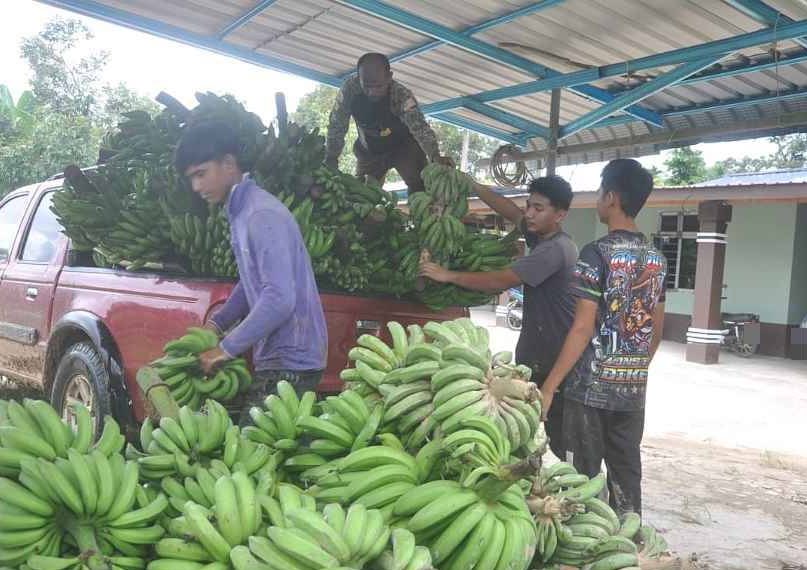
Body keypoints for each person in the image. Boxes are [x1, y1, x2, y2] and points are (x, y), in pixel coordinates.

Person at [175, 120, 328, 423]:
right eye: (191, 178)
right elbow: (251, 281)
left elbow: (279, 298)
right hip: (279, 356)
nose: (196, 187)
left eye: (201, 174)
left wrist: (225, 350)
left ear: (229, 163)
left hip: (291, 361)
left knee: (250, 452)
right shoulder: (242, 212)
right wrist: (218, 324)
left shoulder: (260, 215)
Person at [537, 159, 667, 516]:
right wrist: (634, 370)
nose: (596, 198)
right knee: (626, 473)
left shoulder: (595, 254)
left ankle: (587, 550)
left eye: (598, 191)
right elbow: (656, 329)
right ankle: (629, 545)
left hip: (589, 391)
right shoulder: (657, 260)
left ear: (611, 197)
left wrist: (549, 386)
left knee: (583, 477)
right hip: (633, 391)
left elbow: (581, 328)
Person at [418, 176, 577, 462]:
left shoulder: (553, 251)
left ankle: (578, 492)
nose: (529, 213)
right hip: (537, 351)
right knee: (528, 435)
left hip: (552, 357)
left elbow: (497, 281)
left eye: (538, 209)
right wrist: (474, 187)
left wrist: (446, 275)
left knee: (555, 437)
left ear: (561, 215)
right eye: (529, 205)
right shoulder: (542, 235)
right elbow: (511, 212)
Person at [326, 52, 453, 194]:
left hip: (404, 147)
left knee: (421, 187)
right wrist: (331, 156)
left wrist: (434, 155)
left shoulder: (401, 94)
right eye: (366, 86)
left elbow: (420, 128)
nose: (372, 92)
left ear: (389, 77)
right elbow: (337, 124)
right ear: (358, 78)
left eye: (378, 86)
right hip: (370, 150)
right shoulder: (349, 90)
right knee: (361, 194)